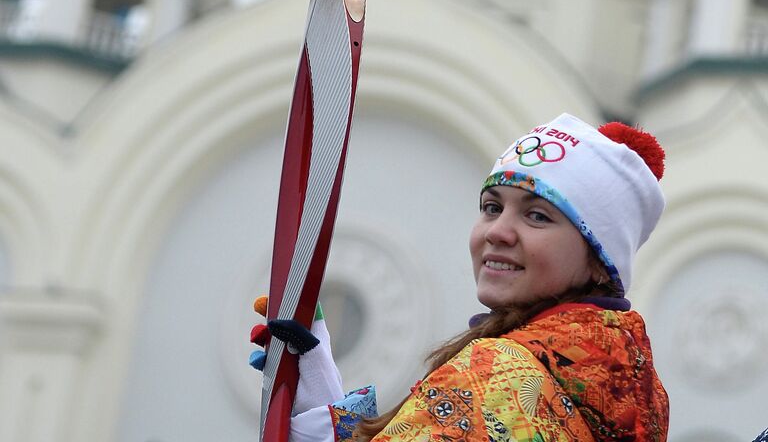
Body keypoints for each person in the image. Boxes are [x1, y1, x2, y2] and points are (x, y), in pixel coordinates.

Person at [251, 113, 670, 441]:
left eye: (537, 216)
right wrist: (319, 396)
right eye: (491, 207)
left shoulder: (500, 377)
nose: (497, 231)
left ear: (600, 259)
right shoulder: (624, 384)